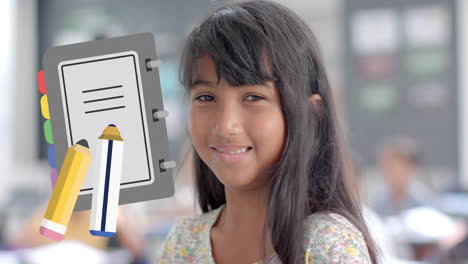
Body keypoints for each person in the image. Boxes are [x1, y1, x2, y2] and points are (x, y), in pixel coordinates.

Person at [157, 1, 378, 263]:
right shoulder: (184, 244)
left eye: (253, 97)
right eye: (206, 97)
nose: (226, 125)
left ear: (310, 114)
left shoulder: (328, 243)